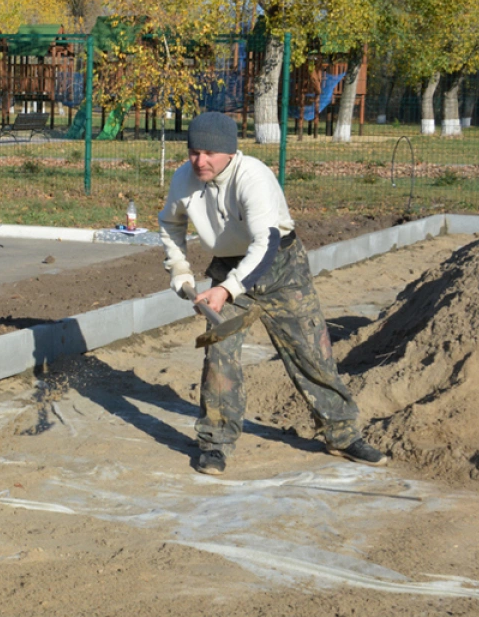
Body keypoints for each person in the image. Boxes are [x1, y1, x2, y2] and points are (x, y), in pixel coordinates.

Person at [158, 111, 387, 476]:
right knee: (219, 354)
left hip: (280, 267)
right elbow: (170, 222)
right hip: (229, 265)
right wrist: (180, 269)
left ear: (230, 152)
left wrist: (226, 290)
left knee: (312, 353)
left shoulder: (254, 177)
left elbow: (266, 243)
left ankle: (341, 434)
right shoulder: (185, 178)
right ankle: (215, 443)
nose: (200, 161)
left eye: (209, 154)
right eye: (193, 152)